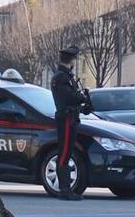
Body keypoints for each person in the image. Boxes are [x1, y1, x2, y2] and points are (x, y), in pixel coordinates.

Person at [50, 45, 87, 201]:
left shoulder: (65, 76)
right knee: (64, 153)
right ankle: (64, 189)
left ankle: (66, 189)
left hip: (70, 118)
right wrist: (81, 97)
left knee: (67, 152)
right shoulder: (61, 78)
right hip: (66, 119)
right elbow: (70, 98)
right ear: (71, 61)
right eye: (75, 59)